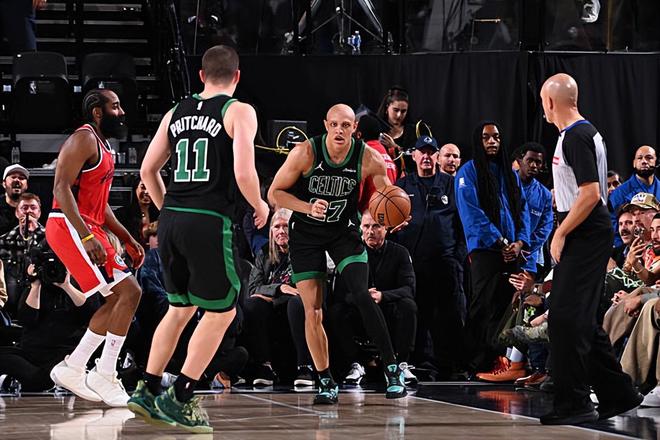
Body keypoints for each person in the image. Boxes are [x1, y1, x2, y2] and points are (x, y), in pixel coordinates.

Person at [128, 45, 269, 433]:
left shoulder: (176, 111)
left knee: (180, 309)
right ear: (236, 77)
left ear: (202, 76)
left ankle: (148, 387)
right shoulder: (239, 110)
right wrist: (260, 204)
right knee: (223, 312)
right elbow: (244, 172)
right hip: (208, 220)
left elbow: (147, 170)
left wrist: (170, 211)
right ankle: (181, 397)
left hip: (172, 219)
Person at [268, 103, 408, 405]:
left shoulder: (367, 157)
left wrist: (394, 213)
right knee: (313, 310)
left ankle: (392, 369)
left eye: (346, 125)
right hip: (306, 236)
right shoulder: (306, 152)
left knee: (362, 294)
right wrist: (307, 207)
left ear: (354, 128)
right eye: (334, 125)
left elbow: (384, 194)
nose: (340, 130)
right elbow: (274, 193)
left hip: (343, 232)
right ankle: (325, 379)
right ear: (326, 125)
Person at [539, 73, 641, 425]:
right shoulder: (578, 133)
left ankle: (575, 402)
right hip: (585, 227)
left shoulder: (577, 135)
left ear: (550, 102)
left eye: (543, 103)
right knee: (576, 318)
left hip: (583, 229)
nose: (543, 109)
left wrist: (560, 232)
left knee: (564, 318)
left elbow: (591, 194)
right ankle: (619, 393)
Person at [46, 89, 144, 407]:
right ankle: (103, 371)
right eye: (116, 106)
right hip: (68, 225)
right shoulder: (84, 139)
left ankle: (76, 366)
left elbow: (100, 206)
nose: (122, 112)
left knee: (124, 297)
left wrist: (126, 237)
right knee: (127, 293)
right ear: (98, 112)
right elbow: (60, 188)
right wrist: (86, 236)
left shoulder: (104, 146)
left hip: (91, 226)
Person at [455, 121, 530, 374]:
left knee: (507, 306)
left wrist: (520, 242)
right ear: (478, 141)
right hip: (485, 249)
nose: (492, 142)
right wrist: (500, 241)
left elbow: (523, 210)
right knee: (483, 305)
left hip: (512, 250)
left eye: (496, 137)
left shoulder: (510, 174)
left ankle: (502, 360)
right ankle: (474, 362)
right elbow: (471, 213)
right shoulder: (468, 172)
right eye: (486, 137)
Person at [394, 135, 466, 377]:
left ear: (436, 156)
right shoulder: (402, 185)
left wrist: (458, 255)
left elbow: (462, 222)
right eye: (421, 152)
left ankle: (452, 365)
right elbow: (391, 224)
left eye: (430, 152)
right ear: (413, 155)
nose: (426, 156)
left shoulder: (450, 184)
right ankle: (423, 364)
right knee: (419, 313)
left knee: (450, 314)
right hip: (413, 262)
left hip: (446, 261)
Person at [330, 211, 417, 385]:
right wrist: (362, 297)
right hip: (359, 308)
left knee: (408, 305)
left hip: (388, 305)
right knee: (337, 311)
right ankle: (355, 364)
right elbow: (340, 294)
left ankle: (401, 363)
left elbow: (409, 289)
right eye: (366, 226)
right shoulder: (350, 254)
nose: (370, 231)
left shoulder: (400, 252)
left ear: (386, 228)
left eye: (376, 226)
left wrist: (383, 296)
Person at [243, 208, 314, 387]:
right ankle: (265, 367)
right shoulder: (264, 253)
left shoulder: (305, 251)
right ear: (271, 231)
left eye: (285, 226)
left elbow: (302, 290)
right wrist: (280, 288)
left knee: (296, 303)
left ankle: (305, 367)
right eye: (276, 227)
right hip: (275, 306)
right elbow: (253, 289)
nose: (281, 231)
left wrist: (269, 294)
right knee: (252, 304)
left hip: (299, 306)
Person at [609, 145, 660, 246]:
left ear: (657, 162)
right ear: (634, 163)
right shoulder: (619, 194)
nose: (644, 161)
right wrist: (625, 251)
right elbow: (613, 229)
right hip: (633, 249)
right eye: (640, 158)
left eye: (649, 158)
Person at [377, 87, 417, 178]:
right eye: (396, 110)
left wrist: (395, 148)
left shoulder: (412, 131)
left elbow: (415, 160)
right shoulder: (376, 128)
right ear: (387, 107)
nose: (399, 115)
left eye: (403, 111)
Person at [0, 164, 30, 236]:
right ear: (4, 184)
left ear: (26, 186)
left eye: (21, 178)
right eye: (13, 177)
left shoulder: (33, 208)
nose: (17, 180)